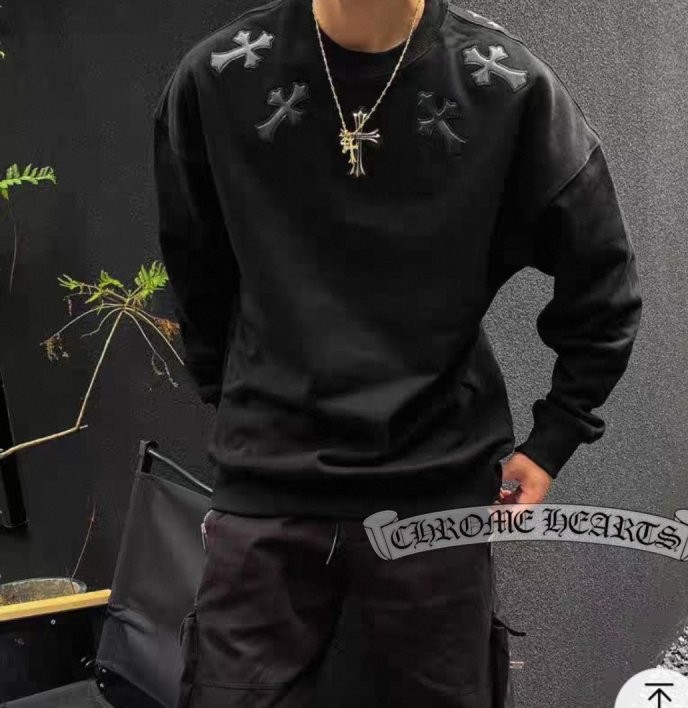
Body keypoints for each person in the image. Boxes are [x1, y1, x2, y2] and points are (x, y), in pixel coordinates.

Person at [152, 0, 643, 705]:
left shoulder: (508, 88)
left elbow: (603, 281)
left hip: (433, 494)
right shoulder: (215, 79)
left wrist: (554, 438)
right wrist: (237, 400)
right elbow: (195, 267)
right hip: (268, 485)